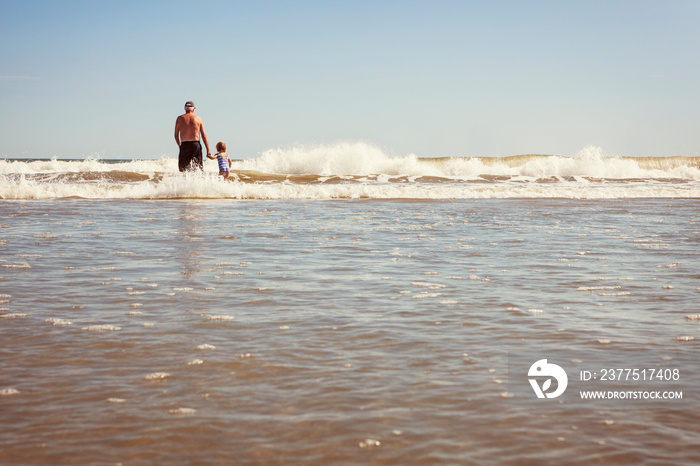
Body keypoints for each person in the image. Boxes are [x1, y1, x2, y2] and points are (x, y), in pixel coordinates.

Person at [174, 101, 211, 172]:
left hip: (184, 145)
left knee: (183, 169)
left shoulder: (179, 119)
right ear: (193, 109)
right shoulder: (198, 118)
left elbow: (176, 135)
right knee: (198, 169)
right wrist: (208, 150)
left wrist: (180, 145)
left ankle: (185, 182)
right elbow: (204, 136)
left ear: (185, 108)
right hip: (195, 145)